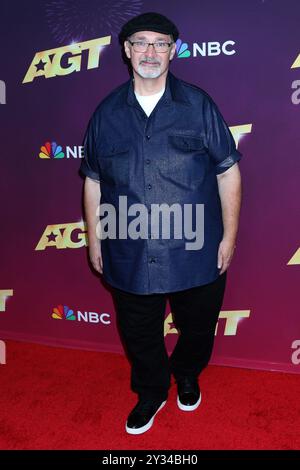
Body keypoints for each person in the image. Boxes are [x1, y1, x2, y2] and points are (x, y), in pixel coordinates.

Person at [80, 12, 242, 435]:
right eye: (140, 42)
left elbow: (228, 172)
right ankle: (151, 391)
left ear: (173, 50)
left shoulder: (199, 105)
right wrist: (95, 239)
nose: (149, 51)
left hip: (196, 247)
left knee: (198, 325)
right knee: (139, 332)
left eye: (160, 43)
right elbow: (94, 181)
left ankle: (187, 373)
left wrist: (229, 236)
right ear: (125, 50)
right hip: (128, 247)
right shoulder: (106, 113)